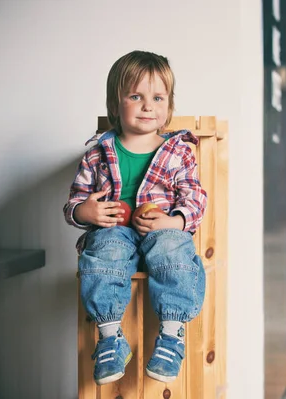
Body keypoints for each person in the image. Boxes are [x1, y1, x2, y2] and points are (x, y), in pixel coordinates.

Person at [63, 50, 207, 385]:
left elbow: (195, 197)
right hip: (116, 231)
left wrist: (173, 222)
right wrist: (86, 211)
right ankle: (110, 337)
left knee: (173, 246)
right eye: (136, 96)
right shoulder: (97, 153)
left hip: (161, 231)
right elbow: (75, 201)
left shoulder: (178, 151)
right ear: (115, 105)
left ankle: (172, 336)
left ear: (169, 107)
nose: (148, 106)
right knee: (105, 247)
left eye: (158, 97)